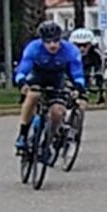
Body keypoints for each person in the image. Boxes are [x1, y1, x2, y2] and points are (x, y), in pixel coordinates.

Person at [12, 22, 86, 154]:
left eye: (56, 41)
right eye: (48, 42)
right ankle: (22, 134)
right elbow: (23, 69)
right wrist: (22, 82)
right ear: (42, 41)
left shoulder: (70, 50)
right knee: (33, 95)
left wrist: (78, 86)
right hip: (37, 75)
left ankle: (47, 142)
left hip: (57, 78)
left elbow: (77, 73)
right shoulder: (33, 48)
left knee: (57, 112)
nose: (52, 45)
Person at [70, 28, 104, 99]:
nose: (81, 48)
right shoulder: (67, 55)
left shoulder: (95, 56)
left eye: (85, 45)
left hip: (85, 81)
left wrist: (101, 88)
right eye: (78, 45)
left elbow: (99, 72)